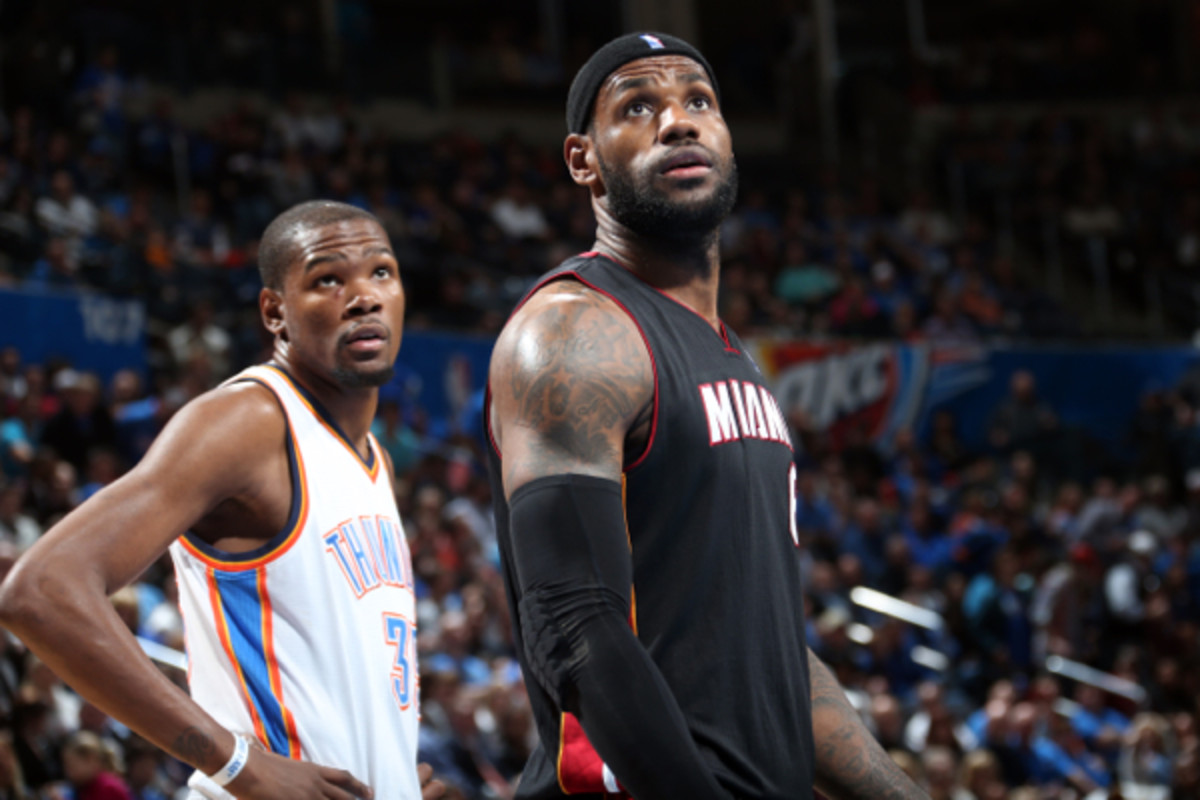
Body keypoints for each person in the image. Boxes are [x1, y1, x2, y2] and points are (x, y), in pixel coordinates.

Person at [485, 32, 928, 799]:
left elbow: (774, 651)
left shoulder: (731, 357)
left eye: (699, 101)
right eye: (638, 107)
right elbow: (569, 622)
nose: (678, 121)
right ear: (582, 160)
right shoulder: (572, 330)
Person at [0, 201, 443, 800]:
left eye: (381, 272)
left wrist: (394, 778)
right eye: (327, 279)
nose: (363, 296)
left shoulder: (373, 458)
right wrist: (239, 765)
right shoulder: (249, 421)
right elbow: (41, 591)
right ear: (274, 312)